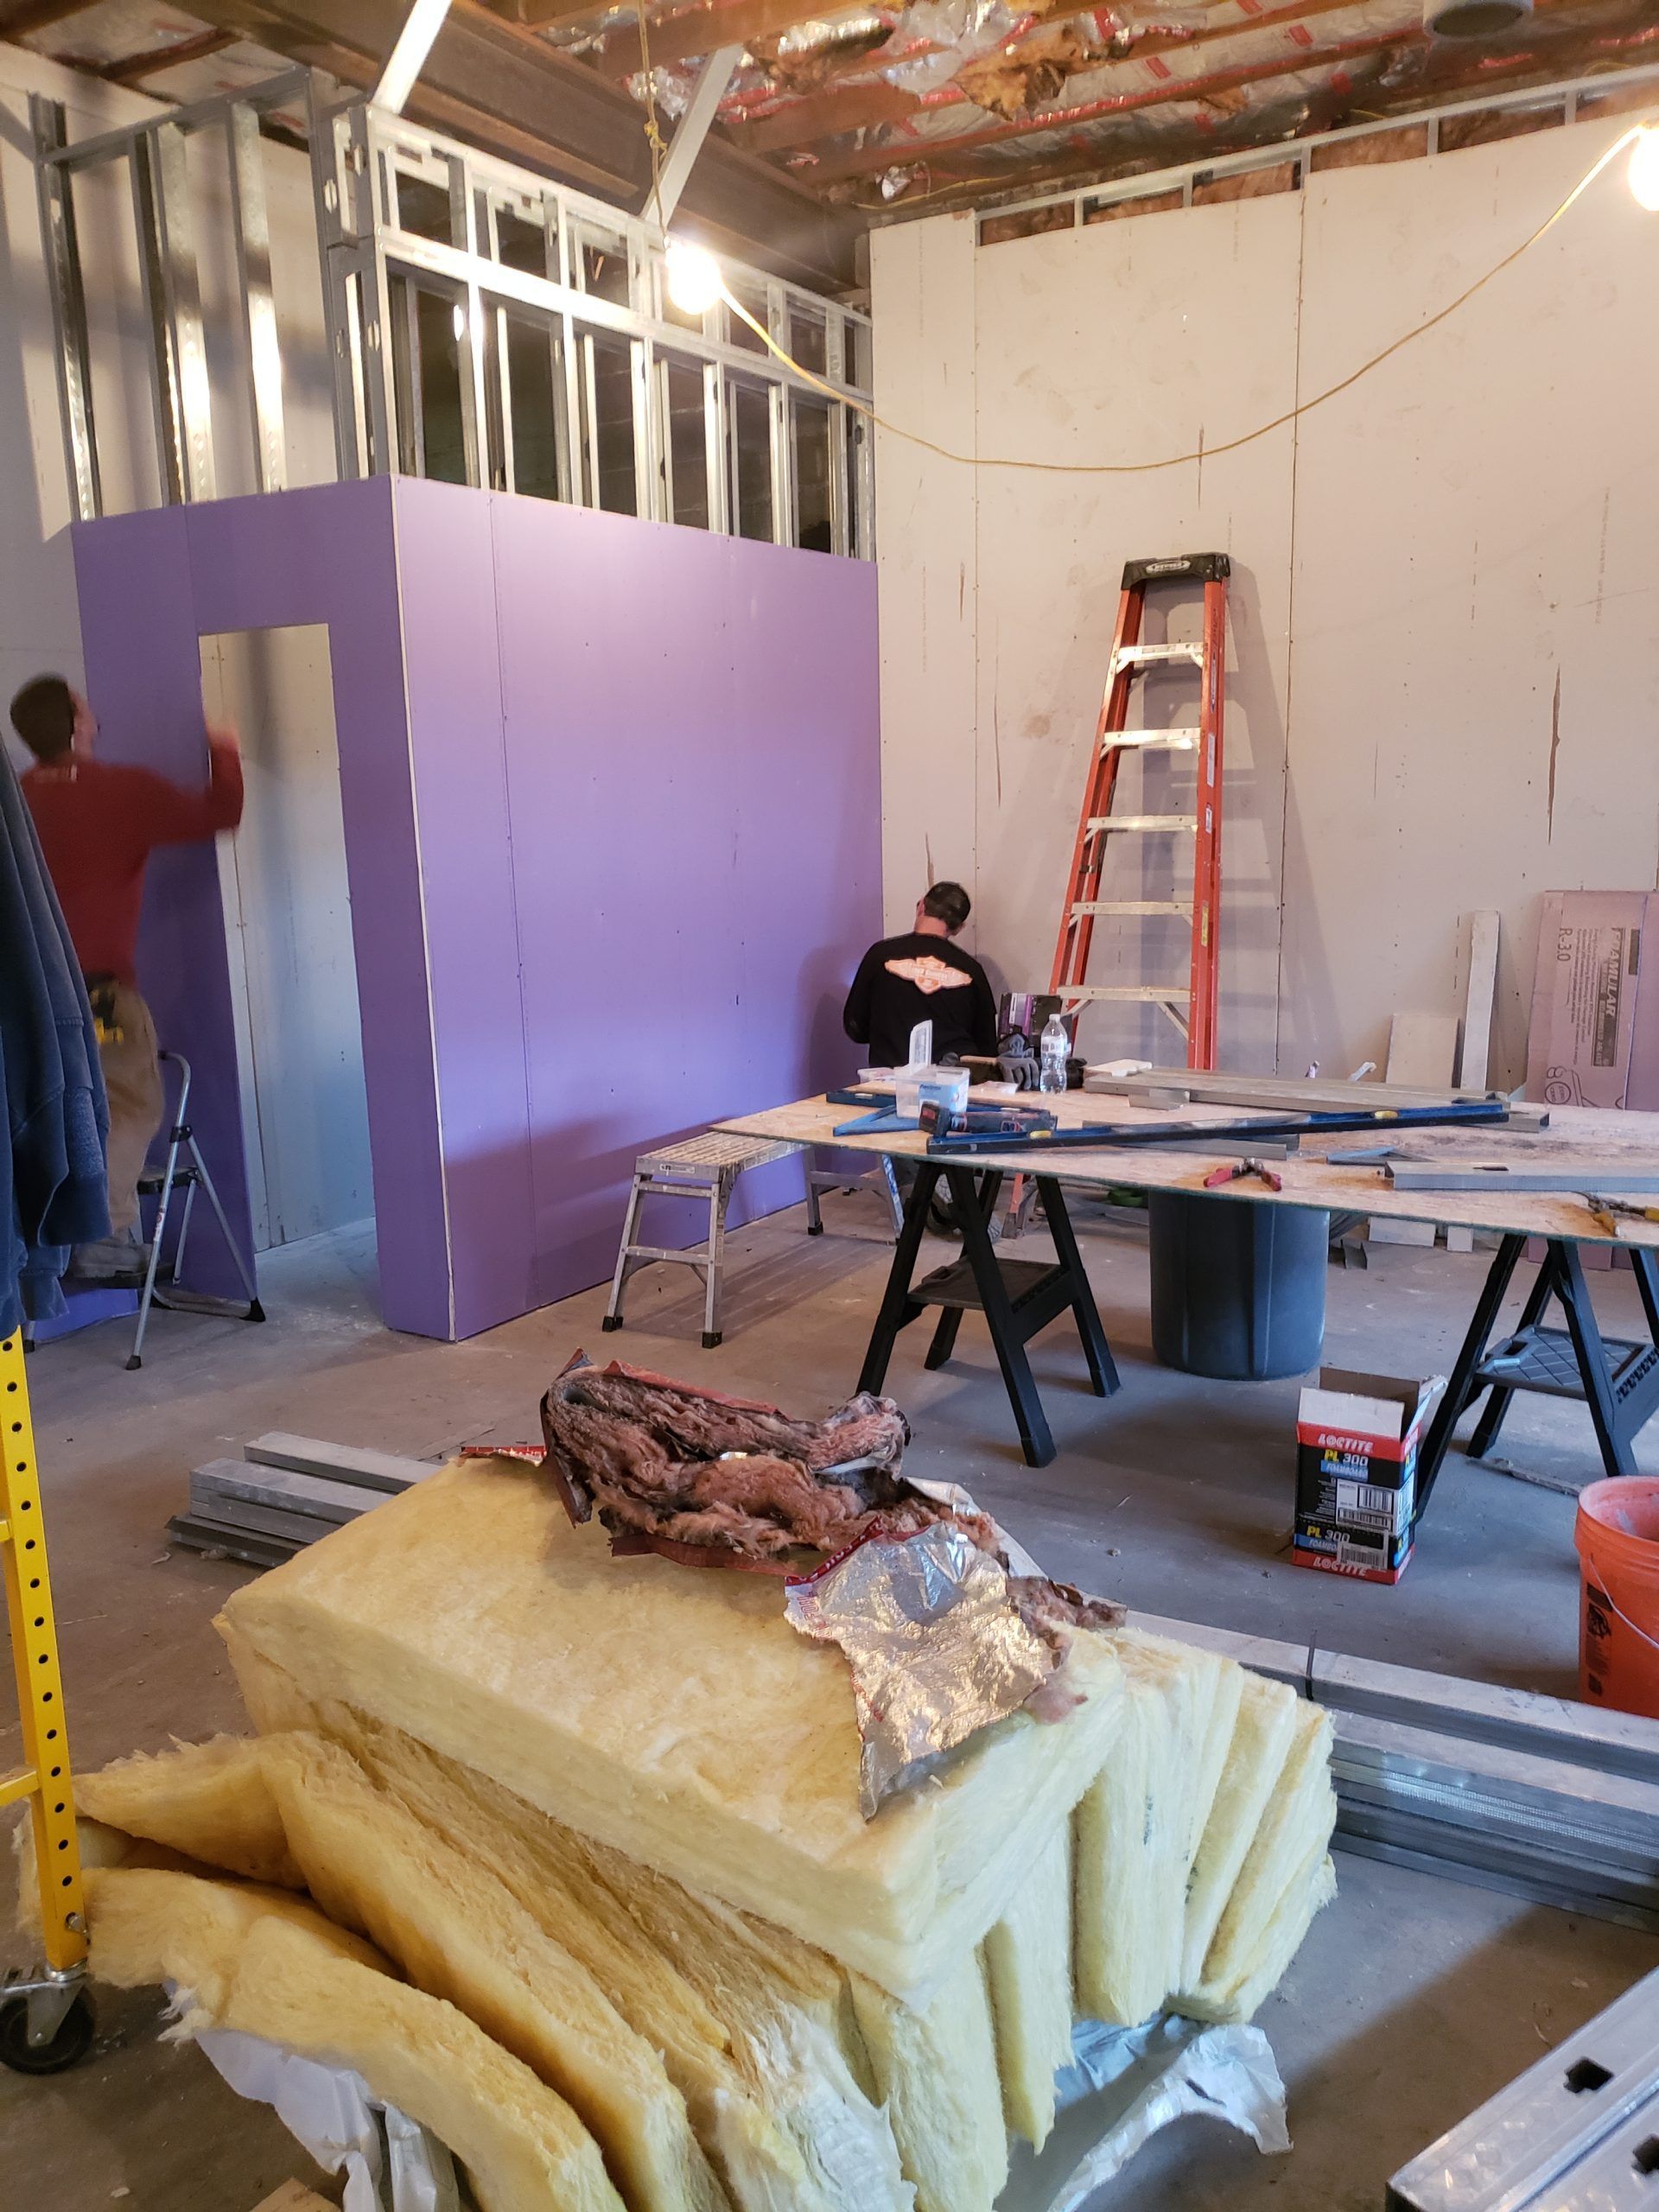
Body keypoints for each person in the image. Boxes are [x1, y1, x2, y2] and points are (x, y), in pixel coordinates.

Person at [10, 676, 244, 1283]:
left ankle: (46, 1248)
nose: (94, 717)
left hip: (29, 1001)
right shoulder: (120, 791)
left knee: (54, 1114)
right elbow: (221, 811)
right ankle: (103, 1238)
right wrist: (225, 748)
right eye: (85, 709)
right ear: (76, 725)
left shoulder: (18, 799)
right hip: (99, 996)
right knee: (130, 1105)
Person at [842, 880, 998, 1072]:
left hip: (890, 1084)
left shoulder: (880, 955)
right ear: (959, 928)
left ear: (921, 906)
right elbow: (987, 1048)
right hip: (952, 1087)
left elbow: (855, 1027)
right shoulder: (972, 970)